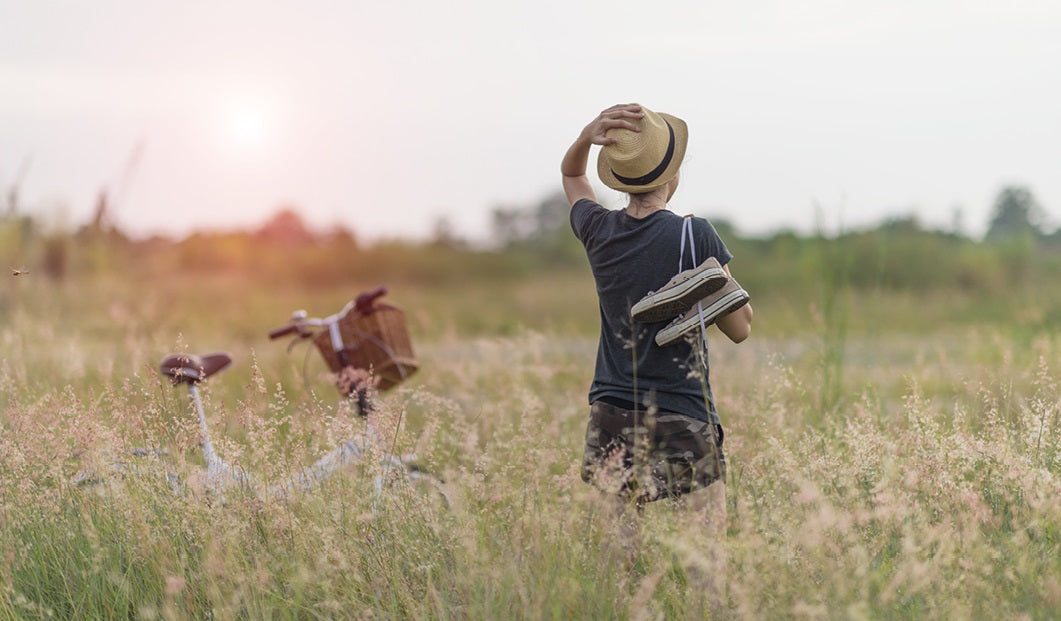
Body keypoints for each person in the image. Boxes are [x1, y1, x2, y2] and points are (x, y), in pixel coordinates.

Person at [561, 103, 753, 560]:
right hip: (679, 405)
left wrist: (587, 137)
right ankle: (700, 288)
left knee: (619, 555)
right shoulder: (694, 233)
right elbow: (741, 330)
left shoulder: (598, 230)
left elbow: (572, 178)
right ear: (673, 175)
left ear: (621, 177)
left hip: (611, 405)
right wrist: (714, 287)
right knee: (705, 556)